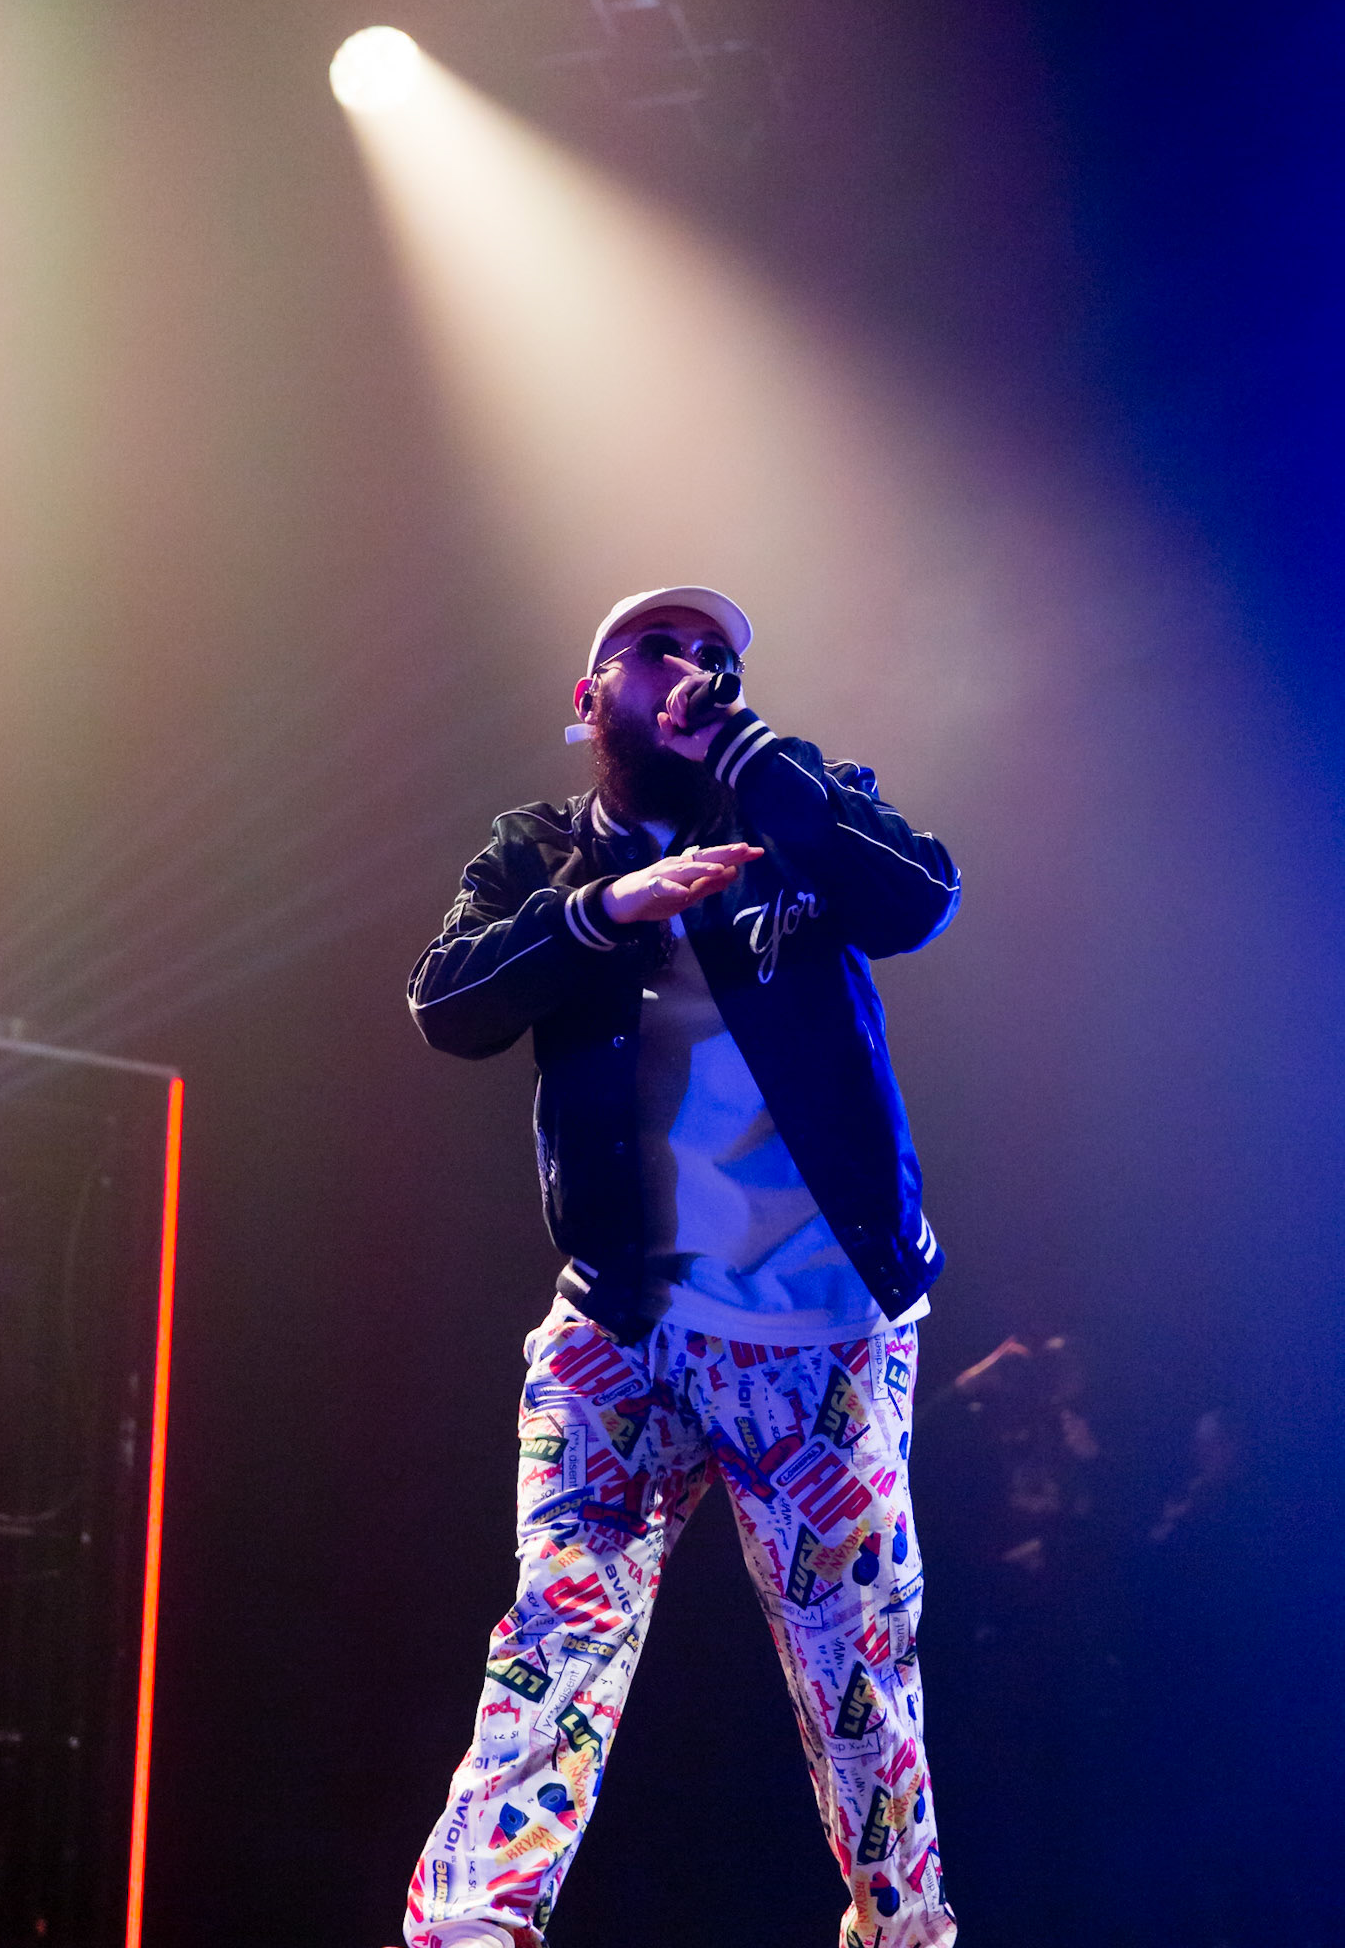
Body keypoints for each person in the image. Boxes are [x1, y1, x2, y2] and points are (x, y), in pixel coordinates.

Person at [399, 588, 961, 1948]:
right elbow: (447, 1005)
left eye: (717, 657)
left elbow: (918, 901)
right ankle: (471, 1929)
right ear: (588, 697)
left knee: (854, 1675)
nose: (693, 670)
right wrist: (604, 911)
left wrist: (768, 768)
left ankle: (902, 1929)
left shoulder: (800, 805)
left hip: (816, 1332)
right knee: (556, 1632)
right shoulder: (535, 853)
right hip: (621, 1324)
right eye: (659, 651)